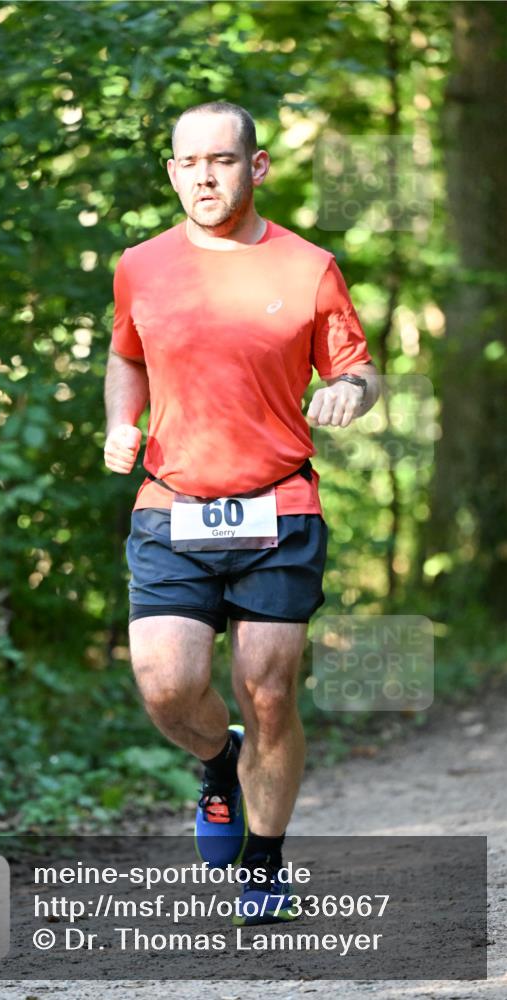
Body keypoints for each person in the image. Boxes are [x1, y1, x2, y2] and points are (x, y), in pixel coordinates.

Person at [103, 101, 380, 925]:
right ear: (171, 172)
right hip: (171, 506)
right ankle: (218, 761)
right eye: (188, 163)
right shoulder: (141, 266)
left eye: (220, 161)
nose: (203, 177)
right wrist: (121, 422)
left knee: (267, 692)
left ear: (254, 168)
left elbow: (360, 371)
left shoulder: (308, 267)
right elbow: (127, 357)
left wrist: (345, 392)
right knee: (165, 689)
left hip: (278, 506)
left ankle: (264, 862)